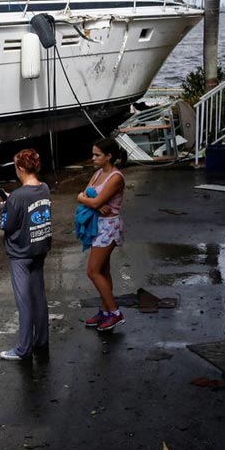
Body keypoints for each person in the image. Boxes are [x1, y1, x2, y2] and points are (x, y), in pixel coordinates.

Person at [0, 148, 53, 361]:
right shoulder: (44, 188)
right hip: (39, 248)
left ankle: (23, 348)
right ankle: (41, 341)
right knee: (39, 297)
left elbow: (8, 225)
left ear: (21, 168)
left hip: (20, 253)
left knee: (24, 301)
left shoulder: (18, 196)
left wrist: (5, 206)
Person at [76, 137, 127, 332]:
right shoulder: (98, 173)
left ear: (109, 156)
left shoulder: (115, 178)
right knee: (103, 271)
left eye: (97, 155)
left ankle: (114, 312)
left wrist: (87, 199)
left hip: (109, 227)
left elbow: (92, 200)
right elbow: (85, 195)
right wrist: (88, 199)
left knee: (93, 271)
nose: (93, 158)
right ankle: (105, 310)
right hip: (98, 225)